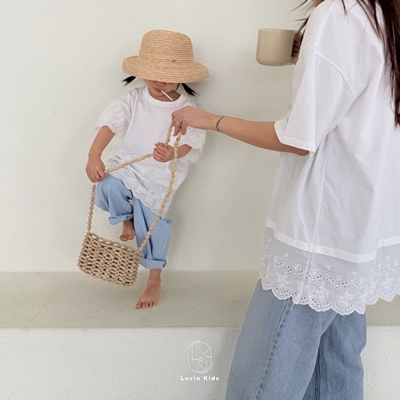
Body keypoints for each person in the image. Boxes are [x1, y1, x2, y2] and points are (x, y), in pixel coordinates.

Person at [172, 0, 400, 398]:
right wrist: (308, 49)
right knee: (336, 370)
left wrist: (212, 120)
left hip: (319, 232)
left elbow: (298, 137)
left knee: (260, 385)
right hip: (358, 229)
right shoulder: (385, 15)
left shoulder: (340, 14)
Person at [85, 30, 208, 310]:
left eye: (166, 76)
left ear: (182, 77)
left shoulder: (187, 107)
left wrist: (173, 154)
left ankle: (154, 279)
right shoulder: (133, 99)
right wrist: (94, 156)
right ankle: (125, 217)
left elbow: (191, 142)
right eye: (152, 74)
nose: (159, 81)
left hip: (160, 175)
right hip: (127, 165)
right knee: (107, 184)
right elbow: (110, 125)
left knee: (152, 225)